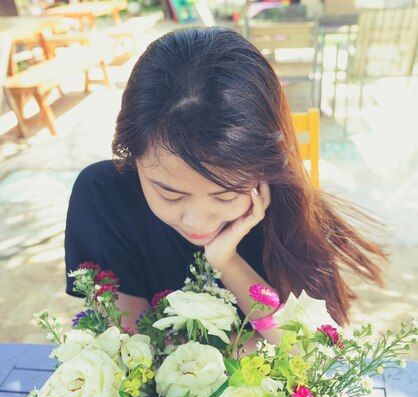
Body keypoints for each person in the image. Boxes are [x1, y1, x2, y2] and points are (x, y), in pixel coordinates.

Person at [65, 26, 385, 343]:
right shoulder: (102, 197)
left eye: (226, 194)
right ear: (132, 157)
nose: (198, 222)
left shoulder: (288, 207)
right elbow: (130, 351)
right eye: (170, 193)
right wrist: (245, 347)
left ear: (265, 169)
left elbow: (306, 350)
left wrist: (226, 262)